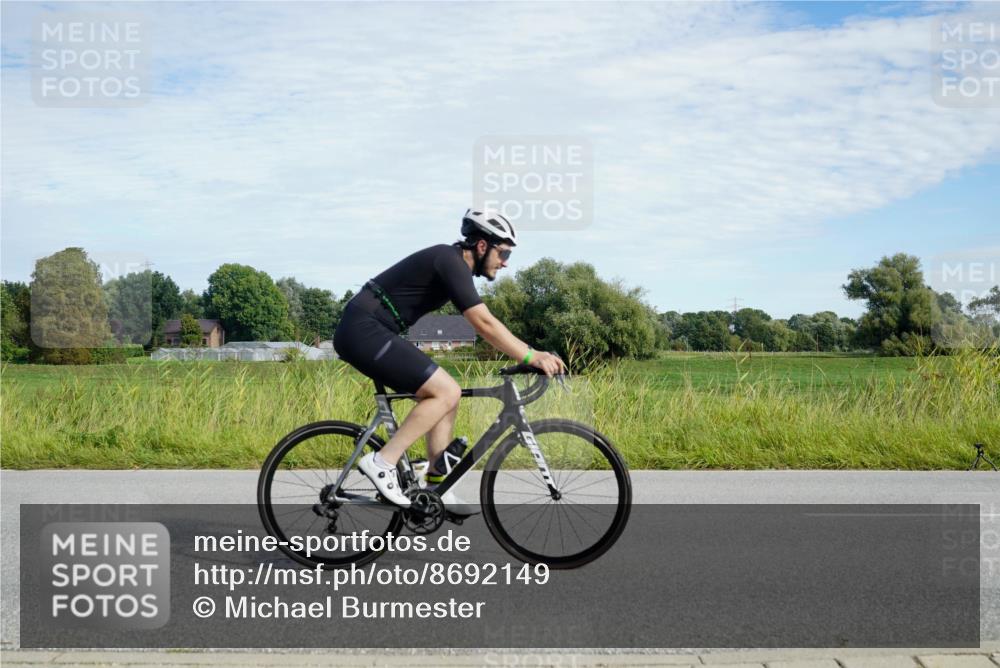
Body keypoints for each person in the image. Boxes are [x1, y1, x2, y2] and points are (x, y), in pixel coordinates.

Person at [333, 209, 566, 510]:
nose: (506, 262)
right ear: (482, 246)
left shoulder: (454, 266)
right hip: (363, 330)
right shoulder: (449, 260)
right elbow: (484, 323)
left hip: (373, 331)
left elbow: (485, 324)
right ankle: (382, 462)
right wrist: (533, 355)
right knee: (446, 391)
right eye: (504, 252)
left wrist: (531, 354)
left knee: (447, 394)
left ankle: (436, 484)